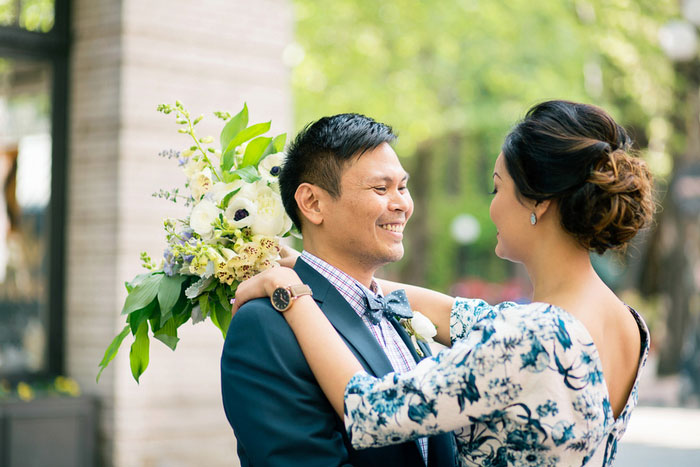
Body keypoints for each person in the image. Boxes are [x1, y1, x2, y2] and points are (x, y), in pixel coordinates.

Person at [232, 100, 655, 466]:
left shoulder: (531, 333)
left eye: (496, 188)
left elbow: (367, 410)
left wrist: (290, 293)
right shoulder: (626, 324)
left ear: (539, 204)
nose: (491, 206)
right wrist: (311, 268)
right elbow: (452, 312)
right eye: (382, 188)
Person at [220, 113, 456, 466]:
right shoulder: (264, 326)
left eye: (402, 187)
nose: (403, 204)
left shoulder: (398, 312)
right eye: (381, 188)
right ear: (313, 203)